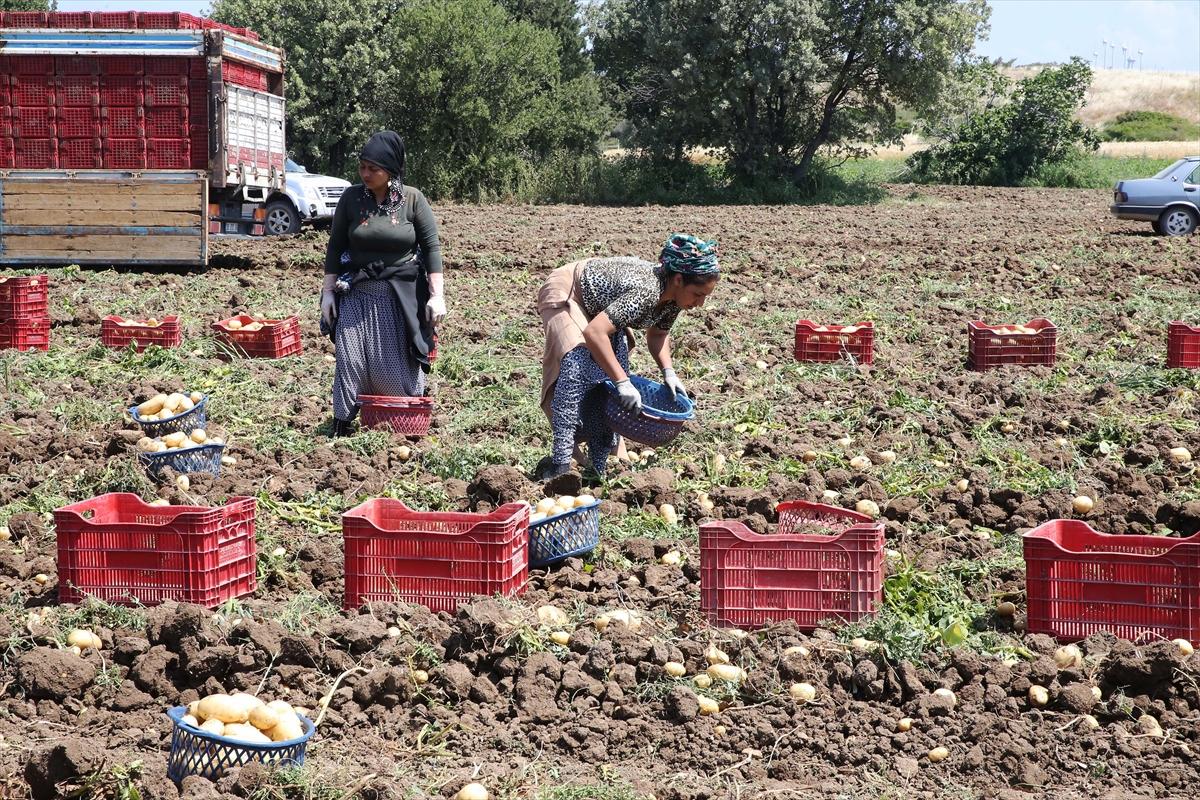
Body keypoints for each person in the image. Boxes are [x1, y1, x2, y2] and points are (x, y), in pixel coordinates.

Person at [536, 233, 720, 480]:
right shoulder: (646, 292)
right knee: (577, 365)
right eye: (698, 295)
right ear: (678, 279)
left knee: (607, 386)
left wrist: (669, 372)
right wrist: (623, 382)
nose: (700, 303)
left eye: (706, 296)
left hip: (601, 309)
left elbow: (658, 334)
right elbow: (595, 332)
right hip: (571, 291)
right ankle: (560, 467)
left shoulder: (674, 299)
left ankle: (596, 470)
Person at [320, 131, 447, 437]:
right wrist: (327, 293)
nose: (365, 173)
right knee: (349, 358)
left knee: (393, 364)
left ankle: (401, 420)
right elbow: (335, 247)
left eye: (372, 168)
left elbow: (431, 249)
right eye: (362, 166)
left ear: (390, 170)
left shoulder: (413, 200)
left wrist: (437, 295)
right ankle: (342, 424)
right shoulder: (351, 199)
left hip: (399, 294)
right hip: (357, 290)